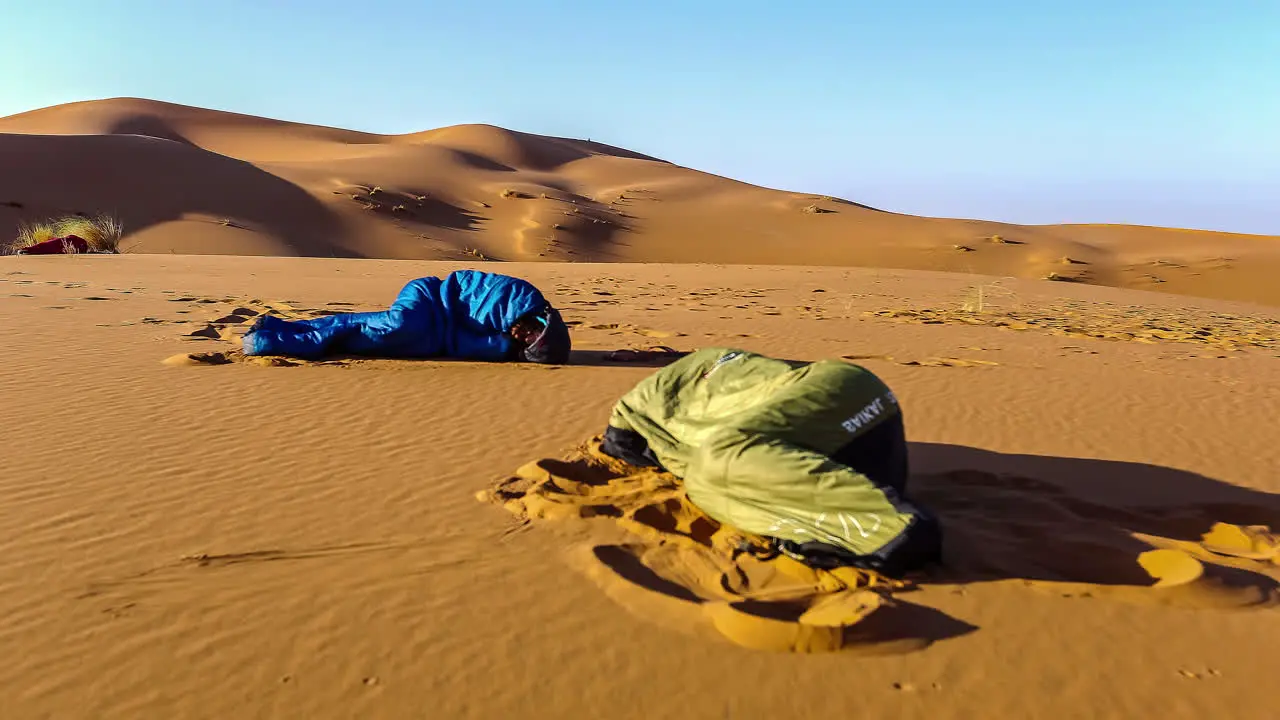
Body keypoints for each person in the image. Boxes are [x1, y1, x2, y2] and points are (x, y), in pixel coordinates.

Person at [599, 347, 941, 577]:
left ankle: (892, 532)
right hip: (869, 406)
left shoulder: (636, 407)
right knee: (726, 460)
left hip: (837, 412)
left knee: (710, 469)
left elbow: (623, 444)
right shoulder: (708, 366)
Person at [241, 269, 572, 364]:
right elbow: (468, 289)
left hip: (436, 336)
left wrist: (499, 348)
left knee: (369, 340)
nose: (522, 337)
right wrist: (496, 345)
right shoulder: (517, 298)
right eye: (532, 336)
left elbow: (458, 342)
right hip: (429, 298)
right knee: (395, 326)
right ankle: (269, 340)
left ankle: (275, 331)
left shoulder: (505, 336)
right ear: (541, 323)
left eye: (527, 346)